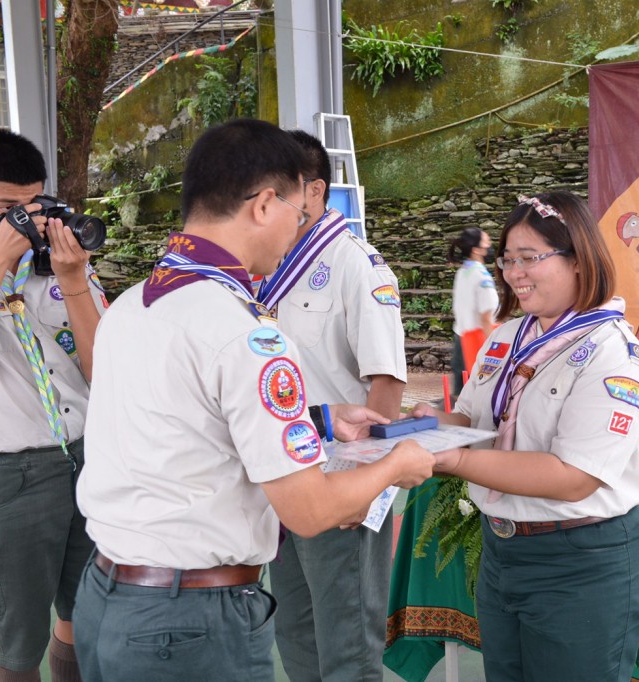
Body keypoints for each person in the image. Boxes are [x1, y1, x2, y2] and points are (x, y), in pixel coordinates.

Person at [72, 119, 435, 682]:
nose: (298, 228)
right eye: (295, 212)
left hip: (108, 595)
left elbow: (187, 426)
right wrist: (396, 466)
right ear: (265, 204)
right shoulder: (245, 332)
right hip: (190, 624)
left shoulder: (131, 304)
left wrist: (319, 417)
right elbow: (308, 510)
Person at [413, 191, 639, 681]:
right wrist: (416, 427)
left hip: (581, 562)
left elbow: (572, 478)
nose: (513, 273)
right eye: (507, 259)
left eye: (529, 258)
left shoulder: (612, 355)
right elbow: (472, 421)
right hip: (502, 552)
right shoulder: (506, 337)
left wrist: (452, 460)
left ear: (578, 260)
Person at [262, 130, 407, 682]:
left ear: (316, 191)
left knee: (346, 646)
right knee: (295, 632)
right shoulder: (270, 265)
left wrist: (363, 488)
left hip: (338, 485)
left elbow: (387, 385)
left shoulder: (357, 266)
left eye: (279, 190)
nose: (266, 202)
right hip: (284, 478)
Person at [0, 130, 106, 682]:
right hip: (9, 475)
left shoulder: (56, 266)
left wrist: (75, 280)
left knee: (87, 616)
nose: (23, 223)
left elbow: (104, 372)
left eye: (33, 207)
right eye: (8, 208)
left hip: (85, 456)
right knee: (17, 639)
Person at [448, 227, 497, 395]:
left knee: (460, 395)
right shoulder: (482, 277)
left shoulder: (463, 272)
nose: (490, 245)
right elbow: (486, 317)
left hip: (460, 338)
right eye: (486, 242)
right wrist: (493, 347)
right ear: (477, 249)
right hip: (477, 342)